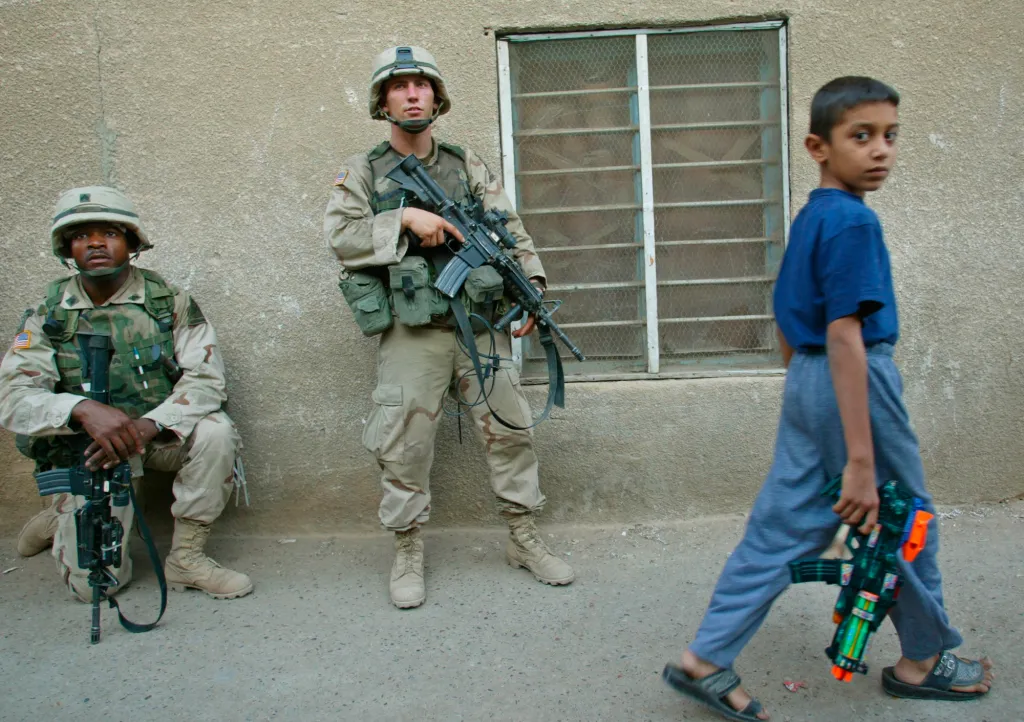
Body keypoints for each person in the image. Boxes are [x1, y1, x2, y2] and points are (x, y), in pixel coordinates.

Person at [661, 77, 994, 720]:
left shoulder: (813, 215)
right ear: (819, 146)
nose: (880, 150)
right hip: (855, 381)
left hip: (810, 383)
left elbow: (787, 313)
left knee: (782, 526)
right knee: (904, 521)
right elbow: (846, 333)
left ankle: (705, 657)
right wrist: (860, 461)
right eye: (861, 136)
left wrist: (804, 386)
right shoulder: (854, 223)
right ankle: (923, 662)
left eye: (890, 135)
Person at [323, 45, 574, 609]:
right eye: (399, 86)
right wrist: (404, 219)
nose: (412, 95)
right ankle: (407, 548)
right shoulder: (362, 171)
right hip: (413, 330)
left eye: (422, 85)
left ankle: (522, 537)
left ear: (436, 99)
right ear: (383, 101)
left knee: (512, 428)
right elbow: (341, 237)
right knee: (404, 443)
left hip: (480, 326)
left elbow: (510, 230)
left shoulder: (467, 165)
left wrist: (532, 288)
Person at [1, 185, 253, 602]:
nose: (95, 243)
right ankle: (59, 517)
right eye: (81, 235)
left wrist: (150, 424)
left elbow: (207, 379)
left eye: (110, 233)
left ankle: (187, 558)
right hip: (91, 451)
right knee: (96, 590)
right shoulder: (49, 314)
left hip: (155, 437)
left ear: (132, 243)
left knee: (216, 431)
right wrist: (81, 409)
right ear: (67, 248)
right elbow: (13, 398)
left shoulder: (167, 303)